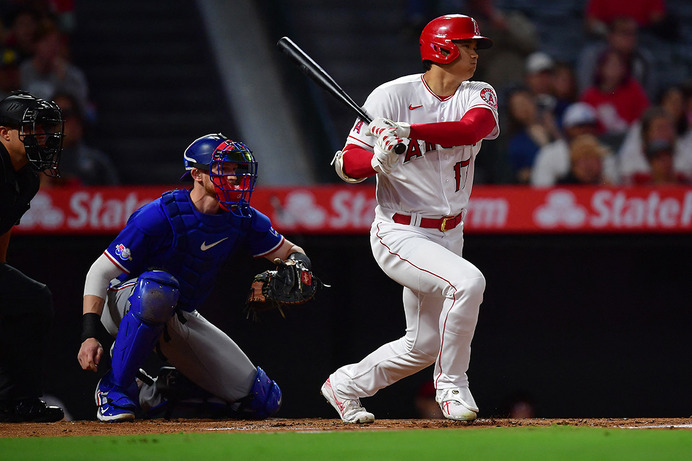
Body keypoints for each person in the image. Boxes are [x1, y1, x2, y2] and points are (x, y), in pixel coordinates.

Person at [326, 14, 499, 423]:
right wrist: (377, 159)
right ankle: (452, 386)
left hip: (450, 232)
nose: (474, 54)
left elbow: (474, 127)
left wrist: (411, 133)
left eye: (475, 46)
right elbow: (347, 164)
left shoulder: (479, 92)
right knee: (469, 282)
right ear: (442, 48)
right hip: (400, 231)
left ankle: (345, 385)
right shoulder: (390, 95)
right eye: (467, 45)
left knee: (422, 345)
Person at [77, 133, 311, 422]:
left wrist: (299, 267)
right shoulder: (160, 214)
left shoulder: (242, 217)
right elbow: (99, 271)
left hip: (180, 311)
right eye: (223, 168)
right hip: (125, 301)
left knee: (262, 399)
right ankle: (113, 387)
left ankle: (155, 392)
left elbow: (292, 251)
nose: (235, 176)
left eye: (237, 169)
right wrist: (89, 335)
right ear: (197, 174)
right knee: (158, 289)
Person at [0, 90, 65, 422]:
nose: (41, 137)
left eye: (43, 130)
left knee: (31, 299)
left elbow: (3, 224)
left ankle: (18, 401)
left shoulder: (25, 176)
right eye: (31, 130)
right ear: (4, 133)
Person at [530, 102, 618, 187]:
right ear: (567, 128)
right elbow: (541, 190)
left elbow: (617, 187)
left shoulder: (605, 152)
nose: (585, 130)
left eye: (589, 125)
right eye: (579, 126)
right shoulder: (550, 152)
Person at [41, 91, 119, 187]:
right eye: (64, 115)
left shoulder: (98, 163)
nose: (72, 121)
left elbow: (115, 196)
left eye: (75, 113)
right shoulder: (37, 164)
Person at [579, 48, 650, 142]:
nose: (614, 69)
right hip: (599, 143)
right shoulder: (589, 95)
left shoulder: (633, 89)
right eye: (610, 64)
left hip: (631, 141)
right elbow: (584, 127)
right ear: (600, 68)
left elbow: (645, 117)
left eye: (618, 65)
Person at [504, 86, 556, 183]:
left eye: (525, 102)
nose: (523, 108)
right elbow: (520, 174)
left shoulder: (555, 124)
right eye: (517, 106)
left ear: (533, 100)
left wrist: (553, 130)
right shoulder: (516, 142)